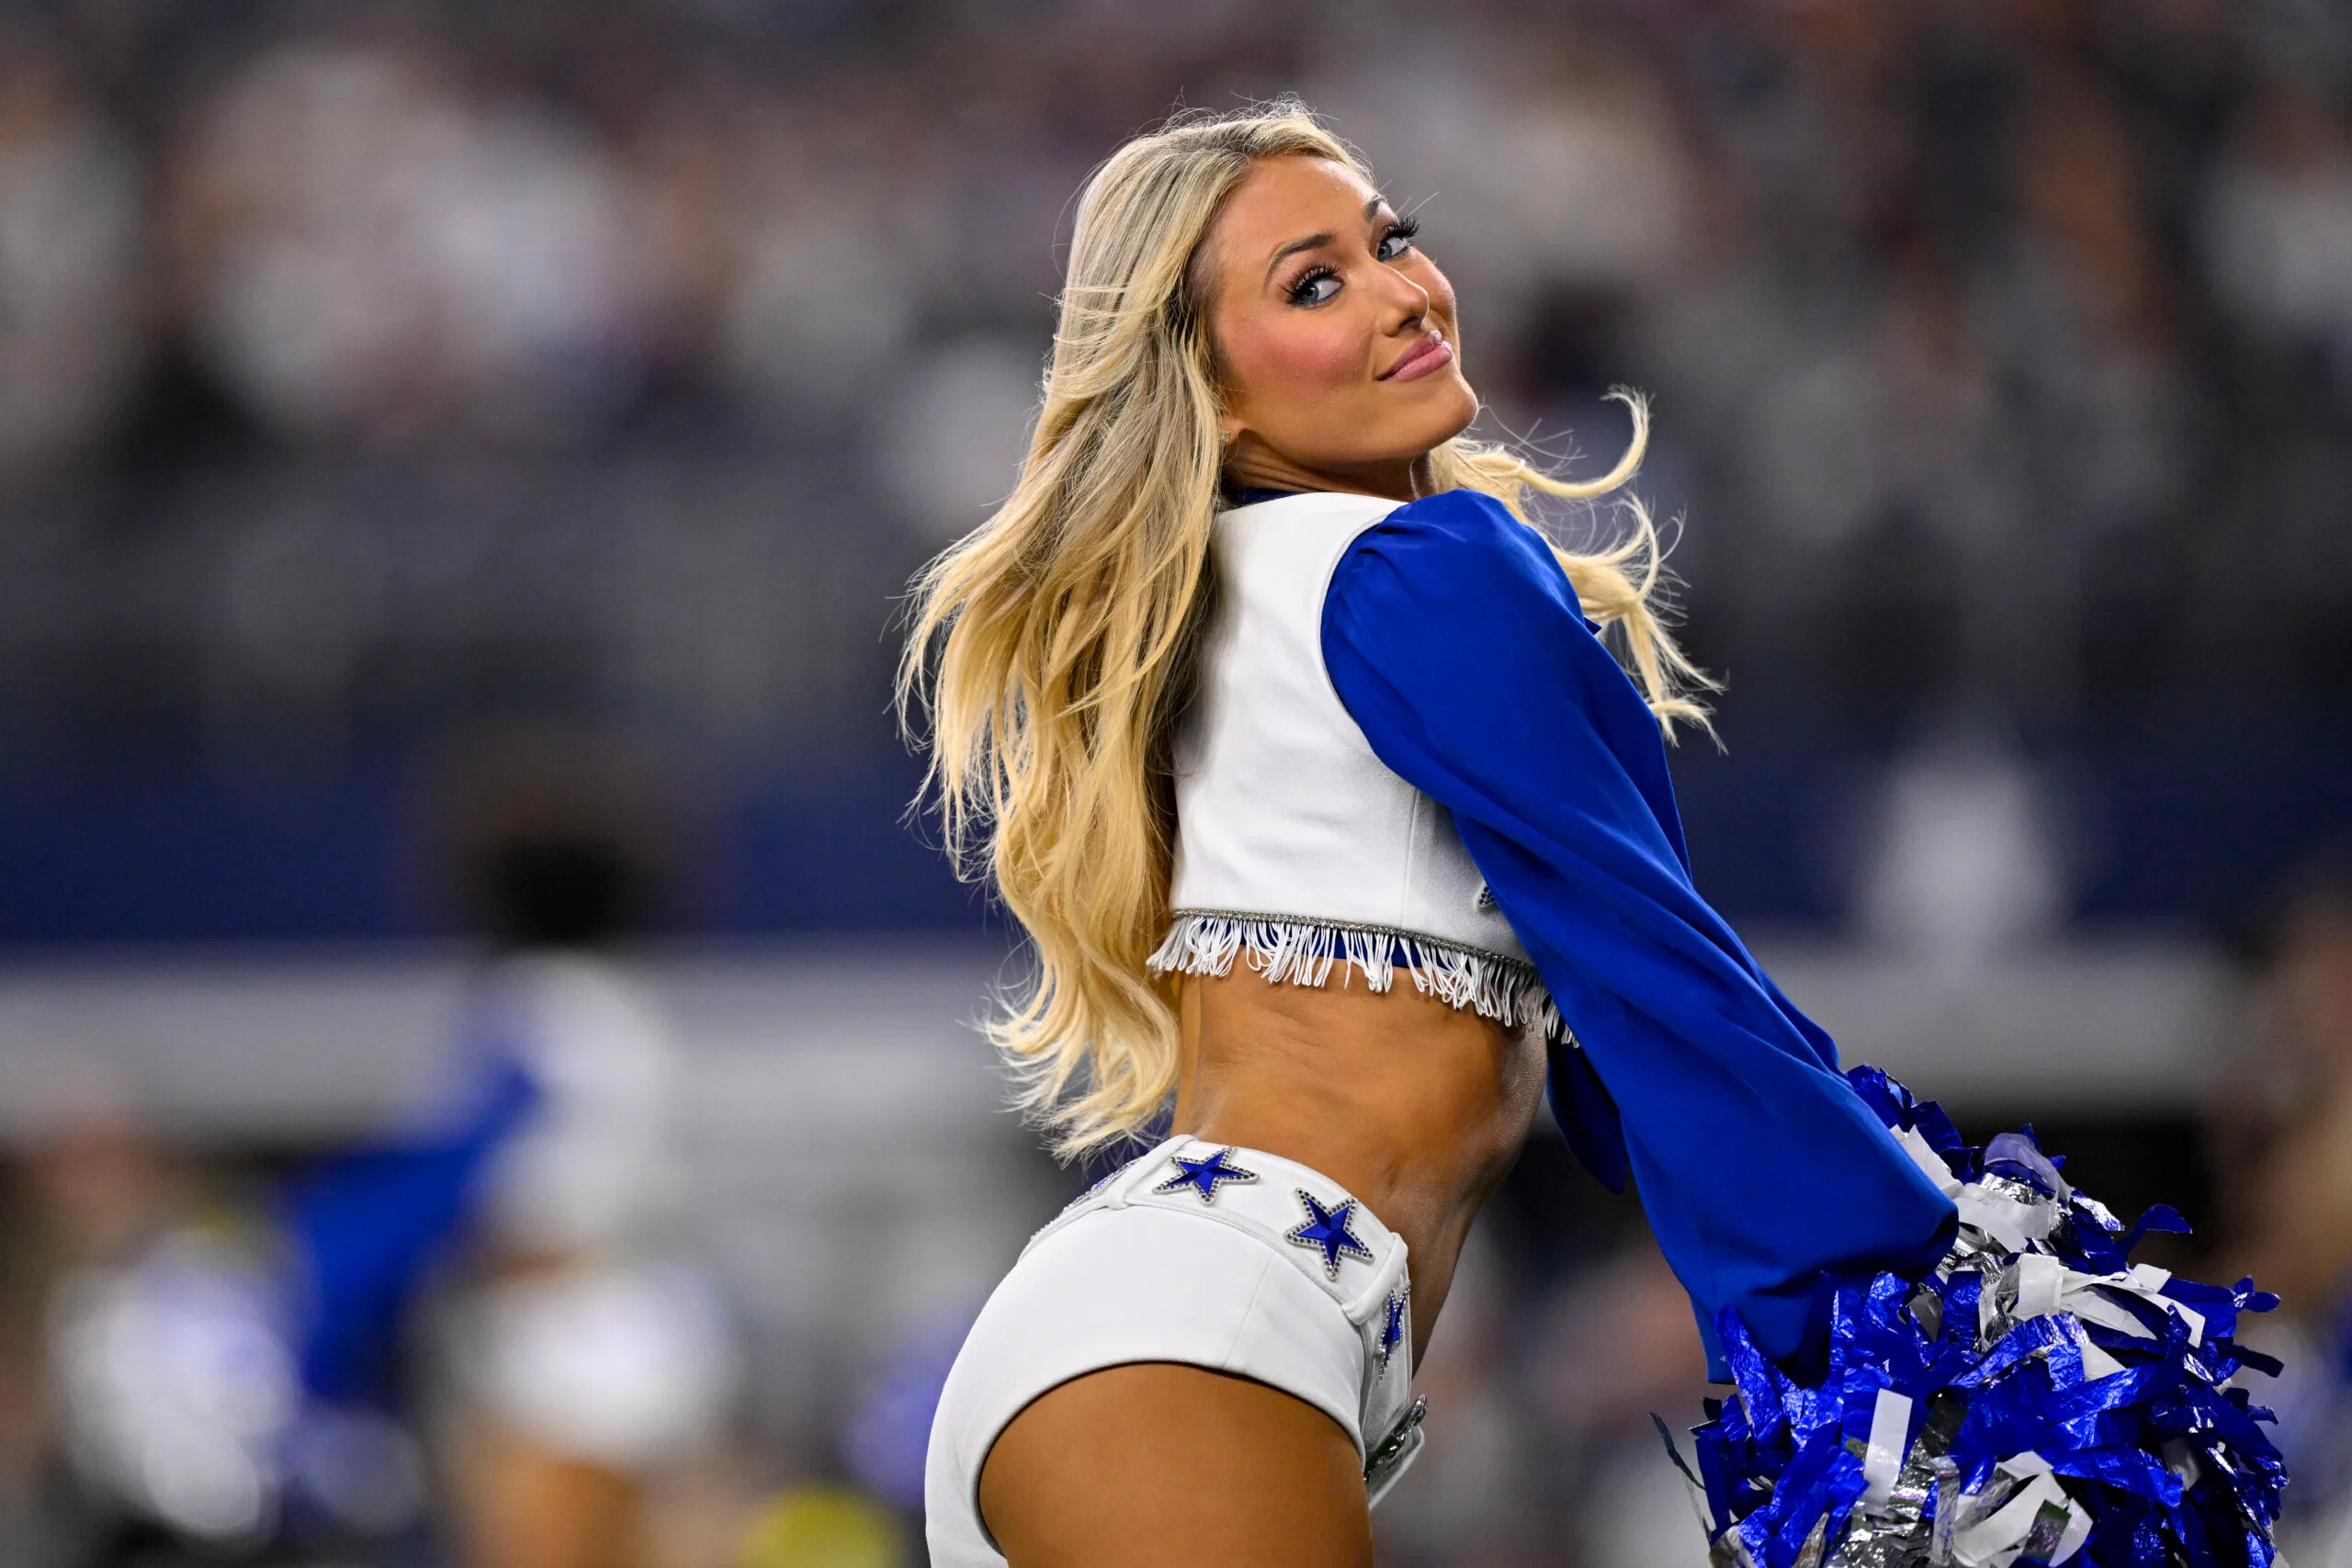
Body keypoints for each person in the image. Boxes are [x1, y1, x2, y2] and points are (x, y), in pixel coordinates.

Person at [901, 103, 1957, 1567]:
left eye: (1392, 240)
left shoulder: (1232, 589)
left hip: (1140, 1332)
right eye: (1314, 284)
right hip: (1202, 1338)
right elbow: (1661, 990)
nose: (1405, 291)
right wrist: (1927, 1312)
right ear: (1209, 392)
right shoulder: (1420, 569)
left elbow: (1619, 1057)